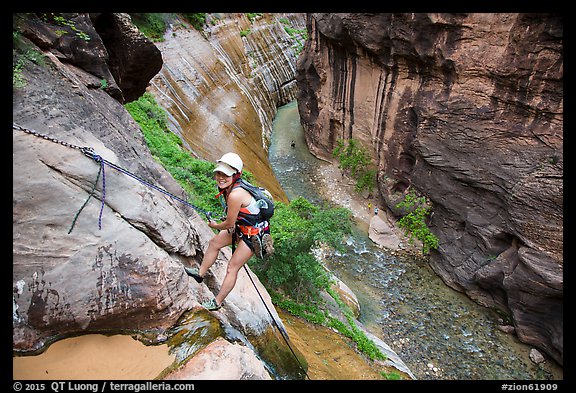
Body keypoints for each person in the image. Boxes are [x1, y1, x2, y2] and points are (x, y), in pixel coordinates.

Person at [185, 152, 273, 311]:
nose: (220, 177)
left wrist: (214, 225)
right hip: (241, 227)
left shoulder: (235, 194)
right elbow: (233, 218)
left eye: (225, 174)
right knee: (214, 243)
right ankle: (200, 273)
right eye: (218, 173)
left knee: (232, 267)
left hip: (253, 236)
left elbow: (228, 223)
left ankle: (217, 303)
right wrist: (229, 224)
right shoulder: (230, 188)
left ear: (236, 175)